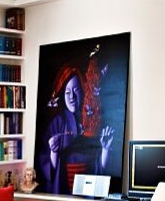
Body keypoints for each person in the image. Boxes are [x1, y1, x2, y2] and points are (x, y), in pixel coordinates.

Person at [37, 64, 114, 194]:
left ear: (82, 91)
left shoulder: (94, 120)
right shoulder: (57, 123)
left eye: (76, 90)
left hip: (89, 188)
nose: (71, 97)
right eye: (67, 92)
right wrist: (53, 152)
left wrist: (105, 149)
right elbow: (48, 169)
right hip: (64, 187)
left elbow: (102, 168)